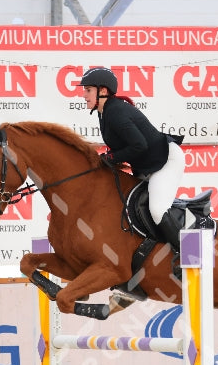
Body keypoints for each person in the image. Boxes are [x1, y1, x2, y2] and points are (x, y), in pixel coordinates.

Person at [79, 67, 185, 250]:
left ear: (103, 91)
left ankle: (187, 255)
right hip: (148, 166)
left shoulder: (115, 111)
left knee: (157, 210)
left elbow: (139, 145)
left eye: (88, 90)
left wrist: (110, 158)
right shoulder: (103, 112)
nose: (84, 95)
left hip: (166, 162)